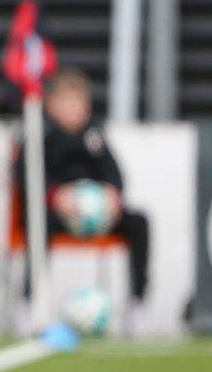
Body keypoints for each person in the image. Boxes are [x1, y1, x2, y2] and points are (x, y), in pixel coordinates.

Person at [14, 68, 151, 302]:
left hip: (97, 215)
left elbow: (114, 173)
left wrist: (112, 194)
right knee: (38, 223)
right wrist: (55, 196)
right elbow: (26, 178)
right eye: (66, 102)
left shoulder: (93, 136)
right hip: (55, 214)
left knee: (139, 222)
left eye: (77, 102)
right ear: (51, 104)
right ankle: (30, 301)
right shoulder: (39, 136)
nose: (73, 109)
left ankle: (139, 301)